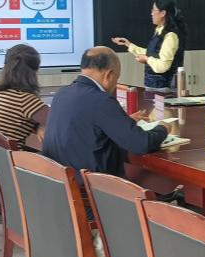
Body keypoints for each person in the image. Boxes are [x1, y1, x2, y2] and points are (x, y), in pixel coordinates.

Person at [41, 47, 170, 177]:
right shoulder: (101, 100)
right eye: (116, 78)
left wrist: (124, 122)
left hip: (61, 182)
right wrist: (163, 128)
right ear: (109, 74)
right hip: (92, 187)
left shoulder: (62, 93)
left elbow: (87, 127)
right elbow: (141, 144)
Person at [0, 44, 49, 154]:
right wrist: (41, 125)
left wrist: (38, 126)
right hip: (3, 164)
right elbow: (60, 122)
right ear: (34, 72)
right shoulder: (24, 99)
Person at [112, 0, 186, 89]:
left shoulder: (170, 36)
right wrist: (128, 44)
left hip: (164, 88)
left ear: (163, 13)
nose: (151, 13)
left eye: (153, 10)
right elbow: (151, 53)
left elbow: (163, 66)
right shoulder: (159, 30)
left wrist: (146, 59)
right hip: (153, 85)